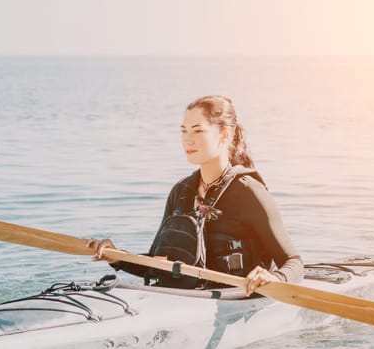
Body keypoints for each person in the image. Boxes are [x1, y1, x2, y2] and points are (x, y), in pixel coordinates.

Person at [87, 95, 303, 296]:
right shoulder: (181, 192)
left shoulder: (249, 193)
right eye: (183, 131)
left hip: (232, 302)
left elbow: (294, 262)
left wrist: (273, 278)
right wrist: (117, 257)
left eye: (198, 131)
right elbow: (159, 263)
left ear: (225, 134)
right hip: (185, 300)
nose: (188, 140)